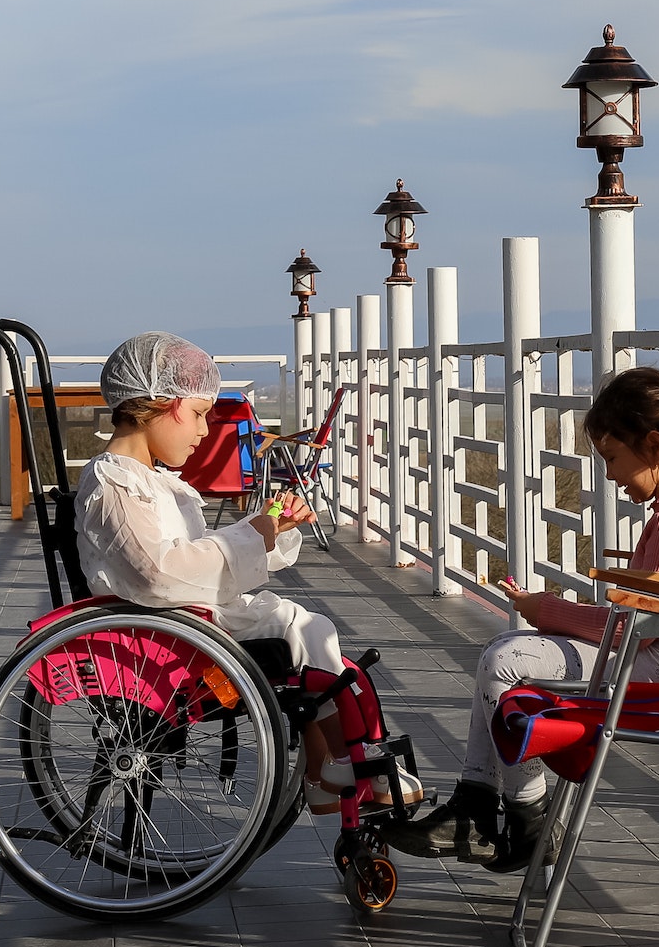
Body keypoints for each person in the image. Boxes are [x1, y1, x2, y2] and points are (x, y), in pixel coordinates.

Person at [385, 366, 659, 871]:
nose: (611, 474)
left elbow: (629, 632)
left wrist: (544, 611)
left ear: (656, 446)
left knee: (506, 659)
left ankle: (514, 814)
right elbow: (637, 622)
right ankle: (488, 807)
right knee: (503, 655)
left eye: (613, 458)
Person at [73, 331, 419, 811]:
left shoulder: (146, 480)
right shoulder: (115, 482)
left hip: (184, 621)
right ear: (161, 403)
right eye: (196, 414)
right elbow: (157, 574)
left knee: (312, 638)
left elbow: (186, 560)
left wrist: (268, 530)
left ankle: (333, 765)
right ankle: (341, 762)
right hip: (167, 637)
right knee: (303, 633)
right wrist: (256, 531)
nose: (202, 431)